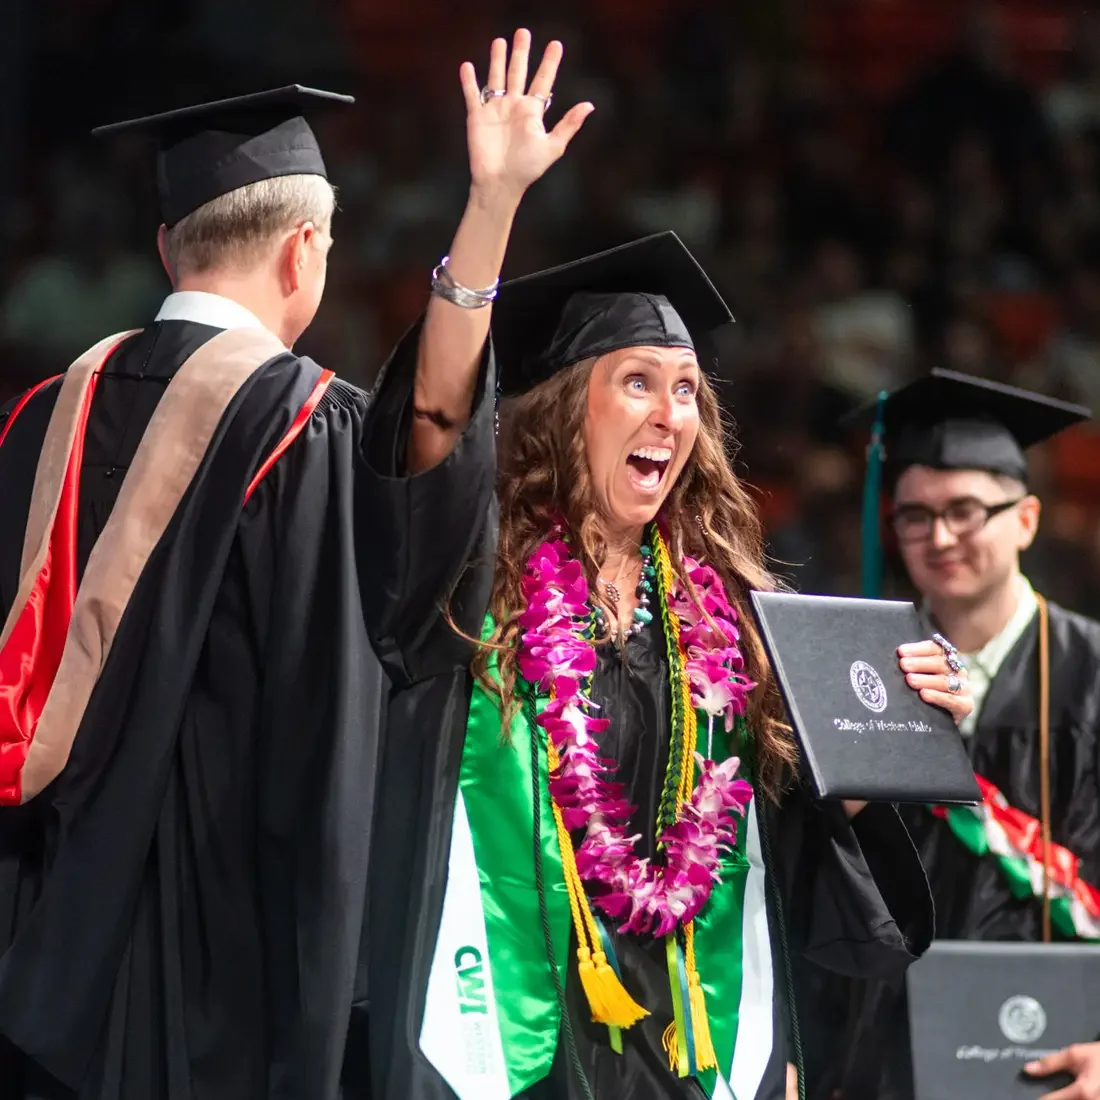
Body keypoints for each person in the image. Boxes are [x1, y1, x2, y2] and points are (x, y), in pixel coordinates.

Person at [0, 30, 591, 1099]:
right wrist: (490, 208)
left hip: (36, 958)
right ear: (300, 251)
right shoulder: (305, 428)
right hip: (226, 974)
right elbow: (417, 572)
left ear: (166, 244)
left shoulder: (38, 420)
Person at [352, 231, 972, 1100]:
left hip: (687, 1047)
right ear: (569, 407)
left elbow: (791, 818)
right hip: (513, 1036)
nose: (670, 413)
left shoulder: (729, 619)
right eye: (637, 381)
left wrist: (900, 724)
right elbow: (432, 421)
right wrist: (492, 207)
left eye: (686, 390)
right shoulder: (471, 590)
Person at [837, 369, 1100, 1100]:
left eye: (965, 511)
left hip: (1063, 1060)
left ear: (1026, 518)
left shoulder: (1094, 676)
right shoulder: (855, 677)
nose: (939, 536)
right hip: (882, 1059)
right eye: (914, 515)